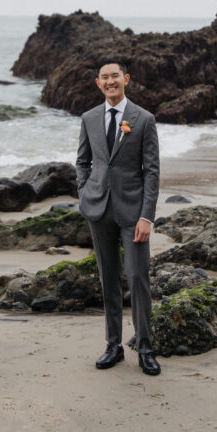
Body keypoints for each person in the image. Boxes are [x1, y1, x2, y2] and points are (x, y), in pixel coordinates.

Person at [76, 59, 161, 376]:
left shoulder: (144, 119)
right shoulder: (88, 118)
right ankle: (113, 346)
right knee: (108, 278)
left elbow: (152, 172)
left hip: (132, 212)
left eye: (115, 76)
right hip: (98, 210)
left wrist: (147, 216)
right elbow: (82, 161)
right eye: (104, 78)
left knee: (138, 278)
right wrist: (85, 194)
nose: (110, 82)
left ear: (125, 79)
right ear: (98, 83)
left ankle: (146, 347)